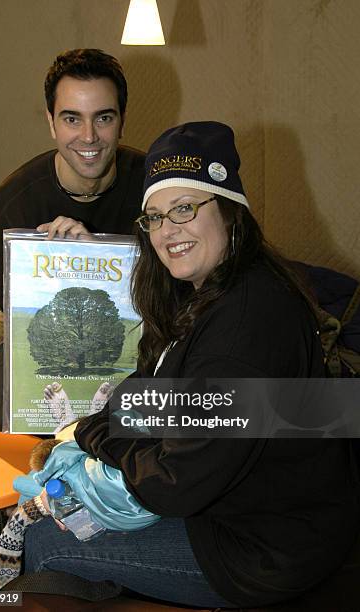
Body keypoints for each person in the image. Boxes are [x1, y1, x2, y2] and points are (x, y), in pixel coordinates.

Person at [24, 122, 360, 609]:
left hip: (259, 549)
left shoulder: (243, 326)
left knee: (46, 542)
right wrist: (100, 421)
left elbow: (172, 485)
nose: (167, 231)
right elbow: (171, 395)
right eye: (155, 217)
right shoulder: (212, 289)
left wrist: (90, 436)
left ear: (229, 211)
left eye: (184, 209)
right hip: (250, 502)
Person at [0, 48, 145, 433]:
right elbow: (20, 309)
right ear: (51, 122)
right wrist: (58, 263)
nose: (89, 136)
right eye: (71, 118)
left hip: (140, 313)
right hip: (30, 314)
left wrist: (91, 254)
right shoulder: (15, 199)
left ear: (121, 121)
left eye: (103, 118)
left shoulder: (151, 185)